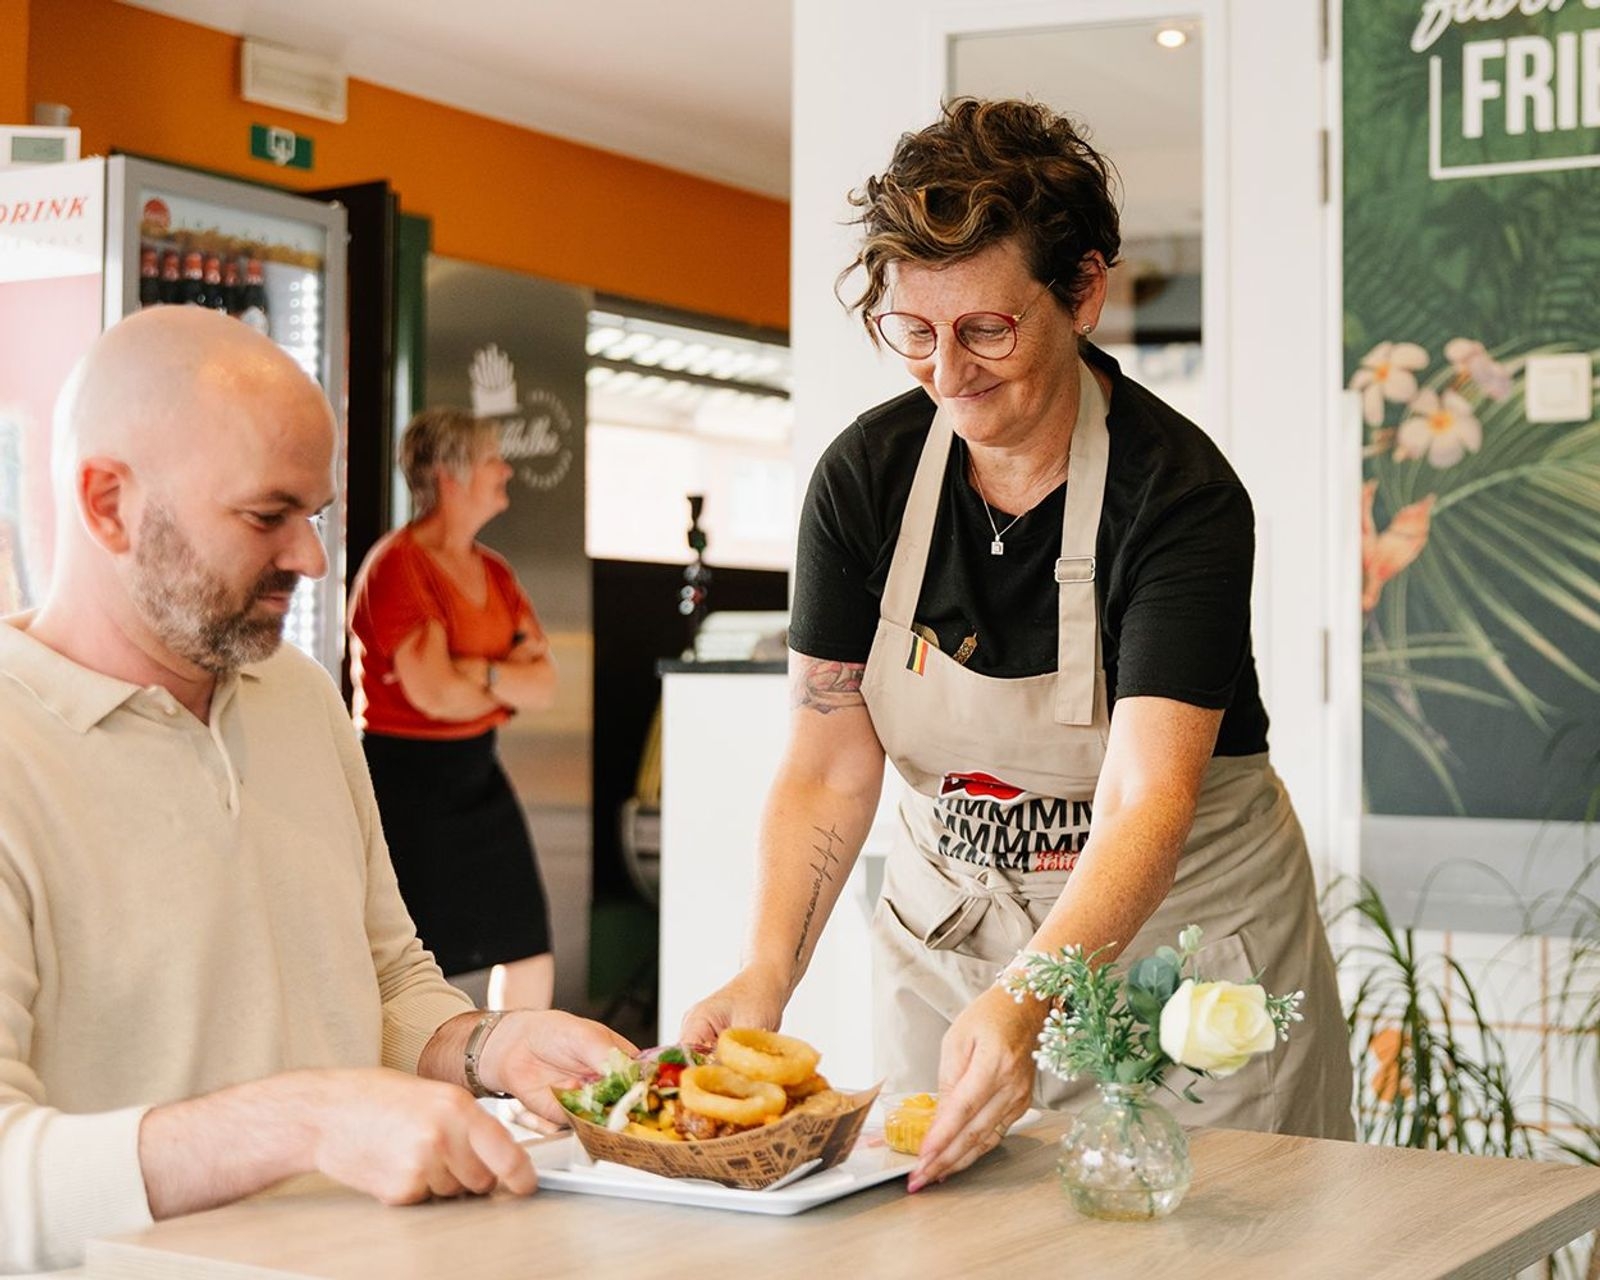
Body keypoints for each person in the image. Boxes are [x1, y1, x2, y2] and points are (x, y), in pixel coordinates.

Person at [681, 98, 1354, 1193]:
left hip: (1178, 963)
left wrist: (1031, 995)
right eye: (915, 331)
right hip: (955, 949)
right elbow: (827, 756)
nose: (946, 370)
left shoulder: (1178, 497)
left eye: (986, 327)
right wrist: (768, 969)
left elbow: (1146, 796)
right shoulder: (864, 480)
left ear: (1082, 290)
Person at [0, 307, 634, 1274]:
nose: (311, 559)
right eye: (267, 516)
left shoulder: (296, 696)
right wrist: (301, 1120)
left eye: (316, 516)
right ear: (106, 504)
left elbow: (382, 980)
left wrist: (494, 1049)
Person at [348, 408, 556, 1011]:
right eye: (493, 457)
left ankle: (519, 1095)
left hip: (478, 770)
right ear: (451, 475)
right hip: (404, 780)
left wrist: (479, 671)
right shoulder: (396, 566)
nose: (506, 469)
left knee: (527, 941)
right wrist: (504, 677)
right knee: (411, 955)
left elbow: (544, 686)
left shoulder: (496, 571)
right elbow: (433, 693)